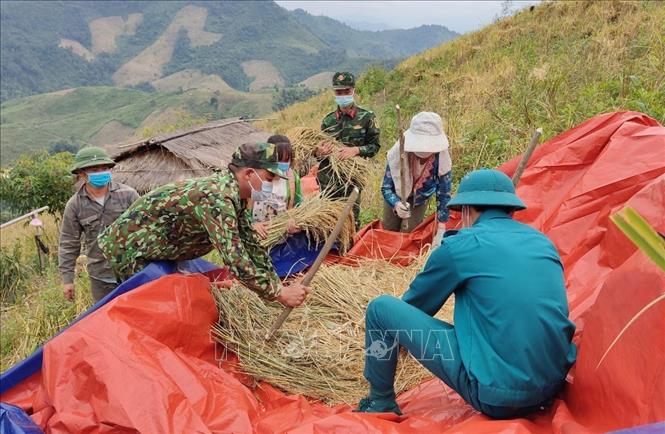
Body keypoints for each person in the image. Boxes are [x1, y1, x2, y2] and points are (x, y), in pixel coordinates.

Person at [356, 169, 577, 418]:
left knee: (381, 309)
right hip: (550, 389)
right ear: (511, 211)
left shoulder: (461, 246)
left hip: (496, 396)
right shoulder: (543, 242)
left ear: (468, 211)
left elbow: (415, 306)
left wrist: (390, 348)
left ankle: (380, 400)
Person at [98, 142, 310, 307]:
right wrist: (279, 294)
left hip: (158, 250)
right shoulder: (217, 198)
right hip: (129, 249)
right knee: (152, 306)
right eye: (269, 177)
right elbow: (235, 257)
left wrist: (275, 283)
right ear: (248, 174)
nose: (272, 185)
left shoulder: (236, 195)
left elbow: (250, 244)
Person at [59, 147, 139, 302]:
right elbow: (68, 243)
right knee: (109, 321)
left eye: (104, 168)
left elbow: (147, 228)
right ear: (82, 174)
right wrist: (68, 280)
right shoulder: (75, 205)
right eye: (95, 170)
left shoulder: (128, 195)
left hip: (133, 271)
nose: (101, 172)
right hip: (101, 278)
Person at [316, 71, 380, 228]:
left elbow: (374, 146)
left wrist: (356, 150)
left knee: (350, 220)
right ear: (334, 93)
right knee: (328, 221)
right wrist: (319, 153)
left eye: (347, 91)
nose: (343, 95)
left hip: (351, 180)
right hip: (329, 180)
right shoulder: (328, 120)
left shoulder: (367, 117)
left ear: (353, 90)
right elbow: (318, 153)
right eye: (339, 92)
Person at [381, 112, 452, 244]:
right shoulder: (397, 153)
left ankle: (402, 261)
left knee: (410, 234)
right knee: (389, 231)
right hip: (397, 193)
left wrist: (442, 227)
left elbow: (444, 193)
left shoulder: (441, 159)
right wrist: (395, 204)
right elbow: (386, 187)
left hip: (420, 197)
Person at [251, 135, 303, 240]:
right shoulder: (254, 177)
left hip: (281, 236)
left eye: (286, 160)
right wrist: (251, 225)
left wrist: (293, 220)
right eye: (279, 160)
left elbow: (299, 205)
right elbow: (240, 208)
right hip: (255, 237)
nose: (283, 164)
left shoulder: (292, 178)